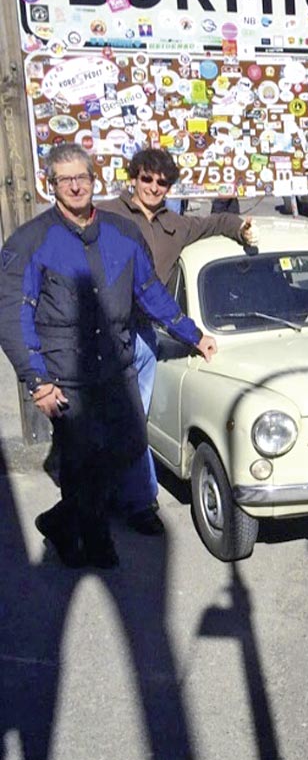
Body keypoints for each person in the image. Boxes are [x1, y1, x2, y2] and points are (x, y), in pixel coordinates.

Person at [0, 144, 216, 568]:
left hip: (116, 369)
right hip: (66, 374)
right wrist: (37, 380)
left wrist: (193, 335)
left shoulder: (122, 232)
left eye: (82, 176)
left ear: (94, 179)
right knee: (81, 459)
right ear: (51, 186)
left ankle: (60, 522)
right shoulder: (30, 242)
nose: (76, 185)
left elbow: (149, 293)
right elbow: (13, 316)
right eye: (65, 179)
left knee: (129, 445)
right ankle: (95, 544)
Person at [95, 148, 255, 534]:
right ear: (133, 177)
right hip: (101, 332)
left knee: (135, 419)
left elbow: (212, 222)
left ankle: (139, 503)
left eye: (162, 182)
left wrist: (239, 227)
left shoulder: (175, 224)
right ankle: (99, 500)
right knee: (101, 421)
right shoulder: (106, 214)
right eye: (146, 178)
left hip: (145, 334)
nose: (153, 187)